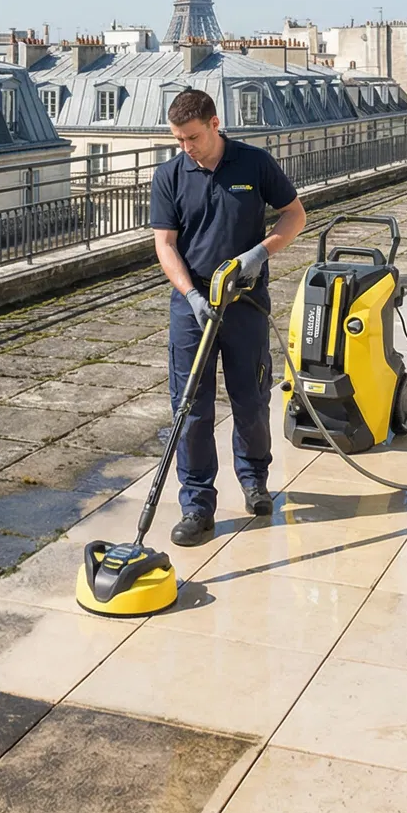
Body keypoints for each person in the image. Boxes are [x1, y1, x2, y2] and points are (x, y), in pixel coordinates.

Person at [148, 87, 307, 546]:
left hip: (246, 305)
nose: (186, 147)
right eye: (178, 139)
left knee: (251, 400)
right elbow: (165, 245)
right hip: (192, 311)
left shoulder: (253, 163)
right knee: (190, 410)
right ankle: (197, 504)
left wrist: (259, 253)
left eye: (193, 137)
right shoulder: (170, 175)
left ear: (215, 124)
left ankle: (255, 481)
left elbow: (294, 216)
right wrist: (191, 295)